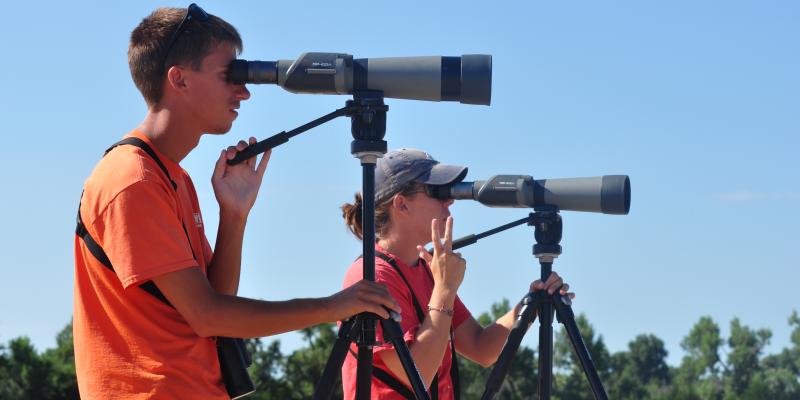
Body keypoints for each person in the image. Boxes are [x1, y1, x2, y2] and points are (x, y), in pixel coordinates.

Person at [73, 4, 399, 399]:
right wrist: (333, 307)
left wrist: (234, 215)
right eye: (229, 75)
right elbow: (208, 316)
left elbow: (215, 304)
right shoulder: (132, 180)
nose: (244, 92)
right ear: (179, 79)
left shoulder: (172, 177)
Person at [340, 148, 575, 399]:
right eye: (436, 191)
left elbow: (481, 347)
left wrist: (529, 307)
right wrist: (445, 289)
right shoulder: (372, 276)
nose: (449, 201)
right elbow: (417, 374)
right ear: (402, 204)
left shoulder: (427, 271)